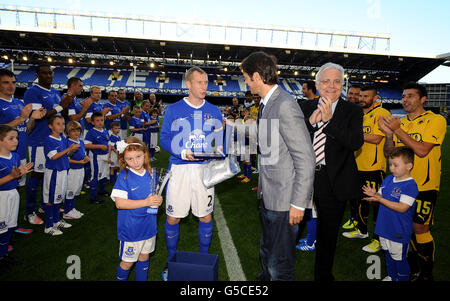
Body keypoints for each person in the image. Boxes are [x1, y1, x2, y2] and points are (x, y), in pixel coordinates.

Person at [241, 51, 315, 281]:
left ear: (256, 76)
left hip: (285, 201)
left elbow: (305, 158)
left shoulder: (284, 105)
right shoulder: (267, 103)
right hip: (270, 195)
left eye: (246, 77)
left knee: (279, 266)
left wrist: (298, 204)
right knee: (268, 254)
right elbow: (271, 145)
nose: (245, 82)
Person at [299, 62, 364, 281]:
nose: (331, 86)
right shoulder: (304, 107)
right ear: (317, 85)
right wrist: (310, 123)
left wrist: (329, 122)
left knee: (328, 235)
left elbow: (355, 142)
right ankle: (278, 273)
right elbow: (291, 140)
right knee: (291, 229)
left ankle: (323, 277)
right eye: (326, 81)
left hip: (333, 181)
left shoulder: (352, 111)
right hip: (303, 177)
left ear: (342, 84)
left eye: (337, 81)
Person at [159, 66, 224, 281]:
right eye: (200, 82)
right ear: (189, 84)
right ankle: (171, 262)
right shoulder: (174, 110)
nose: (204, 86)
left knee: (205, 215)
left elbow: (219, 139)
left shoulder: (214, 110)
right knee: (173, 217)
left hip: (204, 170)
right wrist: (182, 152)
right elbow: (165, 139)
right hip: (179, 169)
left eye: (206, 82)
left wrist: (220, 149)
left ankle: (204, 261)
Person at [379, 82, 447, 281]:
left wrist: (398, 130)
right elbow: (389, 154)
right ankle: (410, 269)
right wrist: (390, 134)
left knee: (420, 228)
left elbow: (422, 150)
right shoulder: (401, 123)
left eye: (410, 96)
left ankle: (426, 274)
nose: (405, 100)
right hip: (399, 186)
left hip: (424, 186)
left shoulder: (435, 120)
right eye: (403, 96)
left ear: (423, 99)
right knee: (402, 229)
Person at [23, 63, 75, 225]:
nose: (48, 76)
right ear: (38, 75)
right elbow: (41, 115)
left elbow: (61, 114)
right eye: (44, 73)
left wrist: (67, 102)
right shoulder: (33, 92)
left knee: (49, 175)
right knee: (37, 174)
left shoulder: (54, 92)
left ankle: (44, 206)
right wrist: (62, 105)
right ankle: (29, 212)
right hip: (39, 140)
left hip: (56, 140)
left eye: (50, 73)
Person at [342, 85, 390, 253]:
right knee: (360, 201)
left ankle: (378, 239)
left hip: (374, 168)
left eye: (366, 96)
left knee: (377, 204)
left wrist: (351, 133)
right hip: (357, 165)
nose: (362, 99)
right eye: (361, 96)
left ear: (375, 98)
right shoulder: (360, 114)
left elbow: (377, 138)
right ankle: (362, 231)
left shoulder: (382, 114)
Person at [111, 137, 163, 281]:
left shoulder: (152, 173)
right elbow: (119, 204)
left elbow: (154, 195)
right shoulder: (124, 177)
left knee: (144, 256)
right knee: (128, 263)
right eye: (130, 159)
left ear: (145, 154)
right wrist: (146, 202)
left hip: (149, 226)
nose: (135, 162)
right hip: (131, 230)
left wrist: (158, 200)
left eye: (138, 156)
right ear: (124, 160)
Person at [363, 147, 418, 281]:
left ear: (409, 166)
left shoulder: (410, 186)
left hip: (398, 230)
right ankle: (392, 277)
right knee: (388, 254)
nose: (392, 168)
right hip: (384, 227)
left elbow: (402, 208)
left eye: (396, 165)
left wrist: (379, 199)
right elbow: (380, 197)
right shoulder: (388, 179)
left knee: (399, 259)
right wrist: (374, 195)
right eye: (390, 165)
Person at [0, 69, 46, 187]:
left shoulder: (19, 103)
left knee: (18, 187)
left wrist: (32, 119)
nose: (11, 86)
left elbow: (26, 130)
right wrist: (20, 119)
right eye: (6, 82)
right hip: (3, 157)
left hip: (19, 154)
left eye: (13, 82)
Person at [0, 125, 34, 273]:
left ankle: (3, 255)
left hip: (13, 194)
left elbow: (16, 175)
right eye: (11, 138)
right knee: (1, 229)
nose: (16, 142)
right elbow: (8, 178)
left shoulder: (14, 156)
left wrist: (20, 173)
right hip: (2, 197)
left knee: (9, 227)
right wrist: (11, 176)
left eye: (17, 138)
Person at [43, 115, 78, 235]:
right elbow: (54, 156)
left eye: (63, 124)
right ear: (50, 126)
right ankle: (48, 226)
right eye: (58, 123)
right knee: (50, 199)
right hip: (54, 173)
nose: (62, 126)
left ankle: (57, 221)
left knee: (58, 197)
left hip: (63, 171)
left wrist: (72, 150)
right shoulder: (48, 139)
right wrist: (68, 148)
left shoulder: (62, 138)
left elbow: (66, 155)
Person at [84, 112, 111, 204]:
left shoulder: (105, 131)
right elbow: (86, 145)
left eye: (102, 120)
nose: (100, 122)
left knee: (104, 174)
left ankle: (102, 191)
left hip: (105, 156)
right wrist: (99, 146)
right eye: (97, 120)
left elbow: (109, 144)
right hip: (96, 157)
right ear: (92, 122)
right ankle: (93, 197)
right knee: (95, 176)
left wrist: (109, 155)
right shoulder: (91, 132)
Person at [64, 121, 89, 220]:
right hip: (72, 170)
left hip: (80, 170)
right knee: (70, 191)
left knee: (75, 190)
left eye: (78, 130)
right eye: (73, 130)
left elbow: (84, 153)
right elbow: (67, 159)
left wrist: (86, 157)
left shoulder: (81, 141)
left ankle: (72, 208)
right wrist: (79, 162)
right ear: (68, 132)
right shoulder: (67, 143)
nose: (76, 133)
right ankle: (67, 211)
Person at [108, 122, 121, 186]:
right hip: (113, 154)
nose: (117, 130)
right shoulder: (112, 137)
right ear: (112, 129)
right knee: (112, 167)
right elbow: (112, 147)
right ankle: (111, 180)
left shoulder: (118, 136)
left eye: (118, 128)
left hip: (117, 154)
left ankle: (114, 177)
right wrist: (117, 152)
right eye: (115, 128)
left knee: (116, 166)